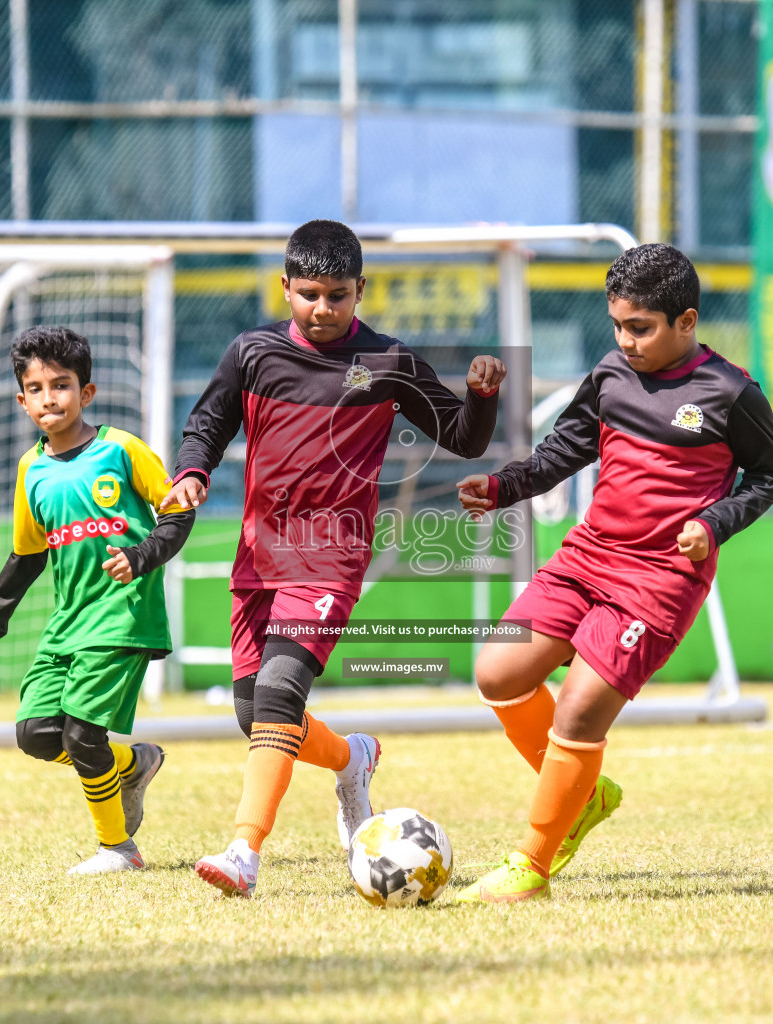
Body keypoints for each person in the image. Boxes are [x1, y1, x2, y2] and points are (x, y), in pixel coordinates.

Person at [167, 219, 507, 897]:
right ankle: (353, 760)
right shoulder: (252, 353)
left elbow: (465, 440)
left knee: (279, 695)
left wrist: (483, 395)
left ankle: (244, 852)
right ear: (285, 287)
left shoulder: (390, 363)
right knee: (255, 714)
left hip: (331, 553)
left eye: (338, 296)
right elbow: (209, 422)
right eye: (310, 295)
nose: (323, 309)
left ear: (361, 291)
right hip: (258, 554)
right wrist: (192, 470)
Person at [450, 243, 773, 903]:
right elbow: (564, 450)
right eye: (618, 326)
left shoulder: (730, 392)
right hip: (588, 554)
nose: (626, 341)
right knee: (498, 672)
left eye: (641, 328)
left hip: (658, 578)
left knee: (578, 714)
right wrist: (501, 488)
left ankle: (530, 866)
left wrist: (714, 523)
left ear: (686, 322)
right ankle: (586, 793)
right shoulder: (611, 374)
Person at [0, 325, 194, 876]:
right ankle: (131, 762)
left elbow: (178, 512)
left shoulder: (122, 449)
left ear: (85, 393)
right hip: (67, 624)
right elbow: (27, 555)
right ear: (22, 401)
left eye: (62, 385)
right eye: (37, 388)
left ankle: (118, 850)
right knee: (37, 734)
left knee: (81, 733)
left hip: (122, 619)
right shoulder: (31, 470)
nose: (51, 398)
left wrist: (141, 557)